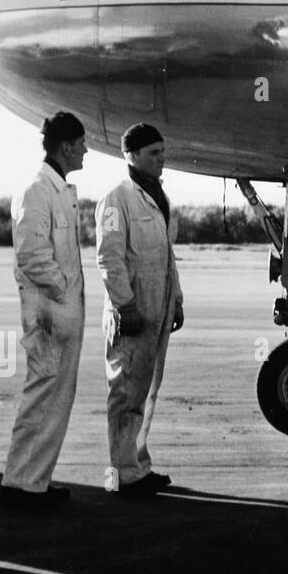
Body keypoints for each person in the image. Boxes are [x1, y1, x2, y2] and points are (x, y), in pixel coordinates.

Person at [0, 111, 88, 511]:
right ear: (66, 146)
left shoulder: (58, 188)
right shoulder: (37, 189)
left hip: (62, 310)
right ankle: (20, 484)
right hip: (50, 311)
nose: (86, 149)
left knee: (55, 397)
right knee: (43, 394)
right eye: (81, 143)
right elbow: (33, 255)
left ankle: (34, 479)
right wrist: (63, 289)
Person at [96, 123, 184, 498]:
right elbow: (108, 258)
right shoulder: (117, 199)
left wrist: (176, 299)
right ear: (130, 155)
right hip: (131, 310)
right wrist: (124, 304)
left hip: (158, 306)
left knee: (146, 390)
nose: (161, 160)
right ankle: (121, 474)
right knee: (125, 393)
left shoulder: (160, 197)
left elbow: (168, 256)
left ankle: (137, 465)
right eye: (153, 153)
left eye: (163, 152)